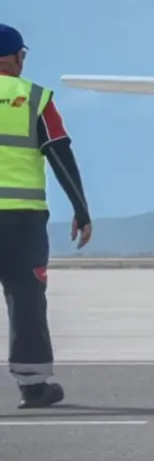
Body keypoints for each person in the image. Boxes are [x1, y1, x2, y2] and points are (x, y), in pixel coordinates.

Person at [0, 24, 93, 409]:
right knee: (26, 299)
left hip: (21, 220)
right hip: (21, 221)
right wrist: (81, 209)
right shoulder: (35, 98)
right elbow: (60, 154)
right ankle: (33, 386)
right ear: (16, 57)